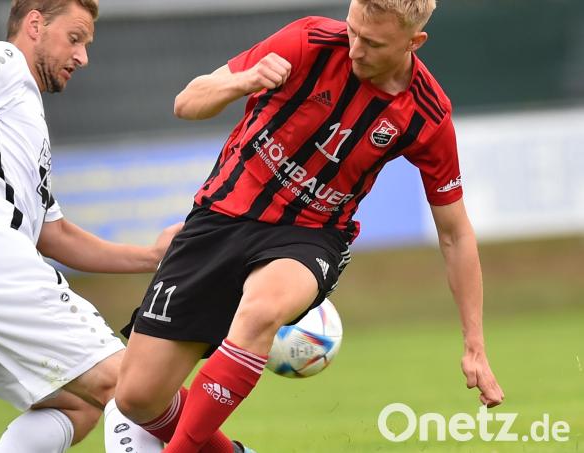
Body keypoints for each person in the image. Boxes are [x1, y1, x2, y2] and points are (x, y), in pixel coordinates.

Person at [114, 0, 506, 451]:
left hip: (309, 236)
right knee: (138, 398)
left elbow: (455, 233)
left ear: (414, 42)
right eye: (353, 30)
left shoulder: (426, 114)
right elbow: (187, 102)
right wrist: (242, 81)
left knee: (261, 311)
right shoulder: (308, 41)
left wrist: (474, 345)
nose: (355, 48)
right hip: (218, 218)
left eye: (373, 42)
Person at [0, 1, 171, 451]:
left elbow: (55, 235)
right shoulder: (2, 60)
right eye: (75, 38)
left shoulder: (21, 120)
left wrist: (151, 257)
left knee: (76, 406)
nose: (82, 56)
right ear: (34, 24)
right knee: (132, 386)